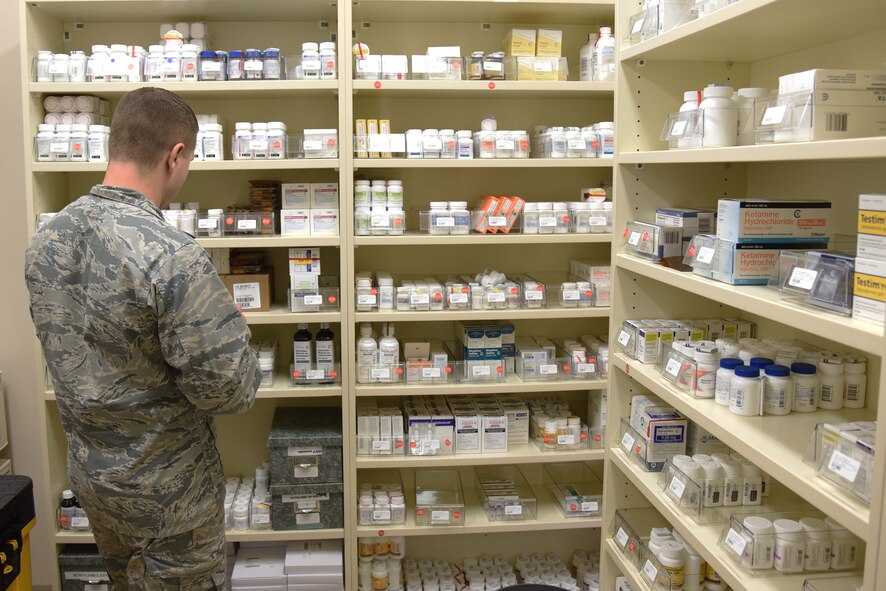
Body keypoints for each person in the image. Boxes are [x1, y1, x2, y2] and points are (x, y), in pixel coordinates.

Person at [25, 87, 260, 590]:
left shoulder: (47, 241)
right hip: (169, 500)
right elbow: (229, 391)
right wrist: (229, 327)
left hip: (97, 487)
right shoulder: (172, 255)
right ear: (176, 155)